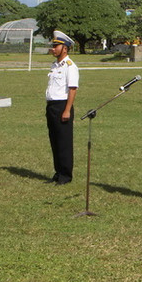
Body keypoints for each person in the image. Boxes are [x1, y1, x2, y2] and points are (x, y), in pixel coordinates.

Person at [45, 30, 78, 184]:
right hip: (51, 106)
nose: (53, 48)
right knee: (54, 141)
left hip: (62, 105)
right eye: (53, 45)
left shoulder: (70, 66)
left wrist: (67, 110)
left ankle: (65, 175)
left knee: (64, 142)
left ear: (64, 48)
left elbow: (72, 89)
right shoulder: (55, 65)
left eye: (56, 46)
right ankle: (57, 172)